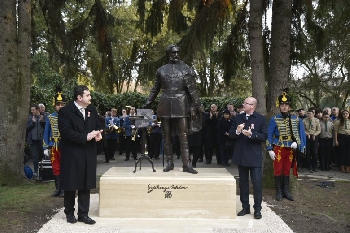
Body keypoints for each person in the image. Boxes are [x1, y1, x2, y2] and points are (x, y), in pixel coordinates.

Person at [143, 44, 202, 174]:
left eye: (177, 52)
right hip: (165, 103)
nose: (176, 55)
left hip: (181, 104)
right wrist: (147, 103)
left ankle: (187, 164)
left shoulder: (186, 69)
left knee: (183, 135)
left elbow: (192, 90)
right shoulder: (161, 70)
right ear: (168, 54)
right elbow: (155, 89)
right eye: (173, 53)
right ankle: (170, 162)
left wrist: (195, 105)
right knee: (166, 136)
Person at [58, 85, 103, 224]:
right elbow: (66, 132)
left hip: (88, 152)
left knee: (86, 182)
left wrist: (98, 135)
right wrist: (86, 137)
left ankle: (83, 214)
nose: (90, 97)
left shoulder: (92, 110)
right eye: (88, 95)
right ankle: (69, 213)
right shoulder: (66, 111)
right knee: (71, 183)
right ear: (79, 97)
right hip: (71, 152)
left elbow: (97, 125)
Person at [229, 97, 267, 219]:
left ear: (252, 106)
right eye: (244, 103)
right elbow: (231, 134)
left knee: (256, 184)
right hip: (241, 156)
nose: (243, 104)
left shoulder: (261, 119)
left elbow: (264, 136)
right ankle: (245, 207)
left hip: (254, 157)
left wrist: (252, 134)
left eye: (246, 103)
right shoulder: (238, 117)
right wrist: (238, 131)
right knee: (243, 184)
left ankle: (257, 209)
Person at [266, 90, 306, 201]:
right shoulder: (274, 119)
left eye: (286, 105)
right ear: (279, 106)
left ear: (289, 107)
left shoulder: (295, 119)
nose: (284, 107)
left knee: (287, 170)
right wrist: (269, 149)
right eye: (282, 105)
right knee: (278, 170)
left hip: (290, 148)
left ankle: (286, 191)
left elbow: (299, 134)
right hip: (278, 148)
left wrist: (297, 143)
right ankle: (278, 192)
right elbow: (269, 135)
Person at [43, 86, 67, 197]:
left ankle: (63, 189)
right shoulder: (50, 117)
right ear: (55, 105)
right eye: (58, 104)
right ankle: (57, 188)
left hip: (64, 146)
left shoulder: (68, 117)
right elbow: (46, 132)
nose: (60, 106)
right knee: (55, 167)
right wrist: (45, 147)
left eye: (62, 104)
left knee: (64, 167)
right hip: (53, 146)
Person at [26, 105, 46, 178]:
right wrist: (33, 123)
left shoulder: (44, 117)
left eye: (33, 110)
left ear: (38, 110)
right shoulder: (30, 118)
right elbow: (26, 128)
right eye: (31, 110)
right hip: (33, 141)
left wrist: (42, 121)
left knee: (41, 156)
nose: (32, 111)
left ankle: (41, 172)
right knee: (34, 157)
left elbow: (46, 128)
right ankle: (35, 171)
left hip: (41, 140)